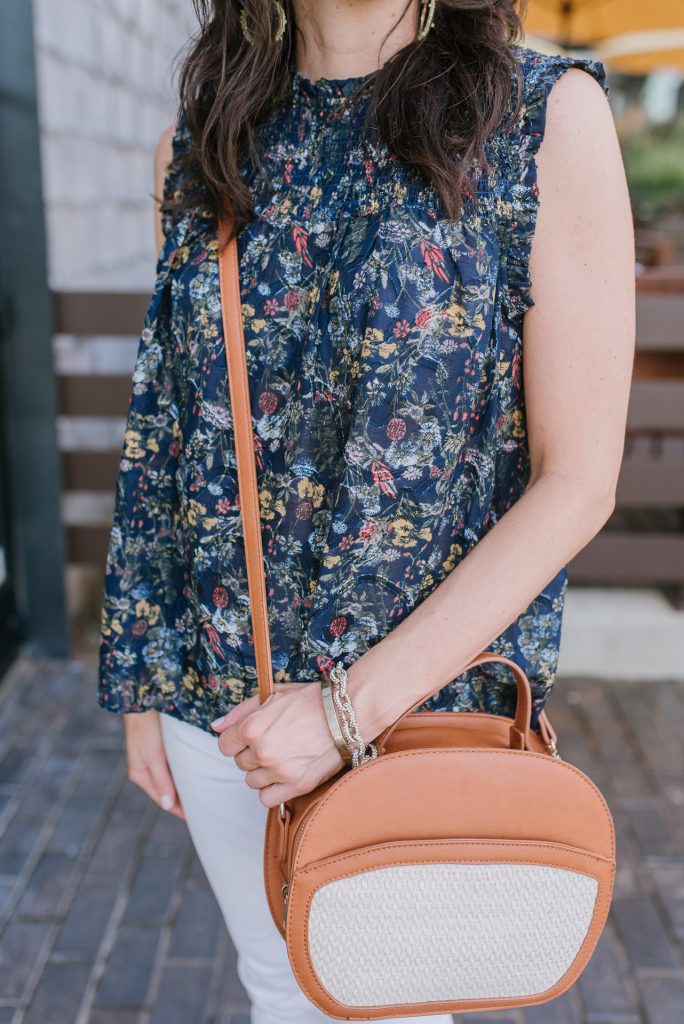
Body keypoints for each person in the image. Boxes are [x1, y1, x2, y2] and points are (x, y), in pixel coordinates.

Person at [97, 1, 635, 1021]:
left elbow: (579, 479)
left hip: (420, 705)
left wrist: (347, 711)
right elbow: (172, 428)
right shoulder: (203, 140)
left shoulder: (539, 119)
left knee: (386, 1008)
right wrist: (143, 677)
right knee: (280, 989)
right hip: (223, 699)